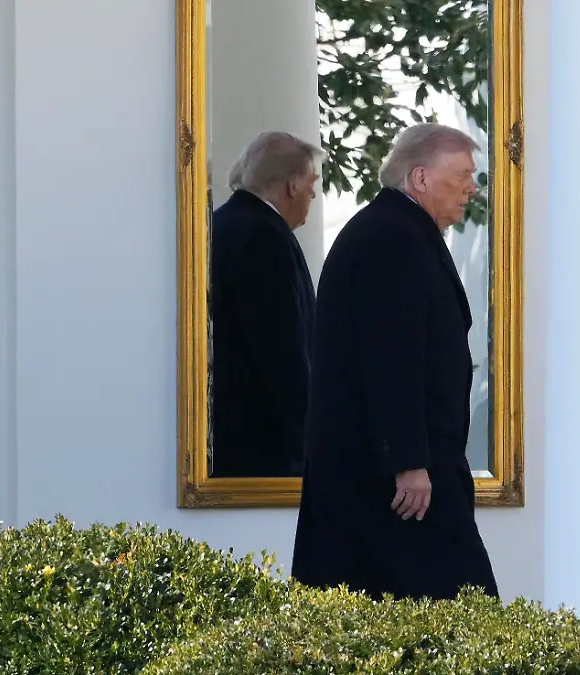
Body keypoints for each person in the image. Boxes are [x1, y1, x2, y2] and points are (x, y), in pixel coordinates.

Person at [291, 123, 498, 600]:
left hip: (393, 478)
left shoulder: (397, 231)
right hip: (392, 485)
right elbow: (390, 358)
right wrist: (407, 461)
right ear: (420, 178)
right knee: (461, 615)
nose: (472, 186)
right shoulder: (392, 238)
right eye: (463, 173)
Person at [209, 131, 321, 477]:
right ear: (292, 185)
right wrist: (310, 439)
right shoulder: (265, 237)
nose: (313, 193)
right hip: (267, 448)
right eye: (311, 182)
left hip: (231, 435)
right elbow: (281, 350)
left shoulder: (222, 223)